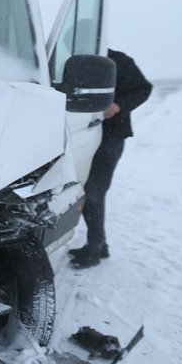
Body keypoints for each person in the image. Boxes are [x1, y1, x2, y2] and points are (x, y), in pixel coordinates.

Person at [69, 48, 153, 269]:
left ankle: (94, 249)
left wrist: (119, 105)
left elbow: (144, 89)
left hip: (111, 136)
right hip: (81, 131)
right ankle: (100, 245)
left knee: (94, 193)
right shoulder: (72, 61)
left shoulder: (118, 61)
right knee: (86, 189)